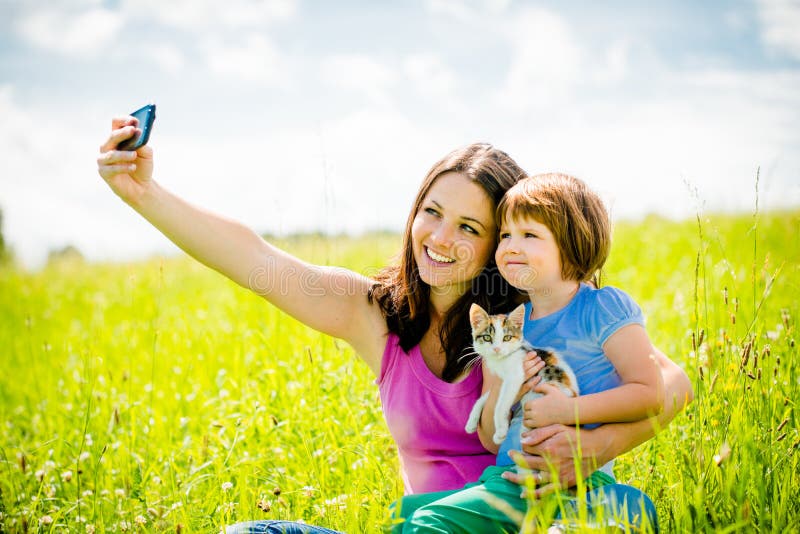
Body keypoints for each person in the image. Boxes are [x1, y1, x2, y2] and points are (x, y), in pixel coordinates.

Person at [96, 116, 693, 534]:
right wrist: (142, 192)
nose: (439, 238)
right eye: (431, 213)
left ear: (501, 243)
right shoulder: (373, 314)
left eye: (469, 227)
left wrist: (595, 449)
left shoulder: (538, 315)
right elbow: (257, 260)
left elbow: (673, 385)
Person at [392, 173, 670, 533]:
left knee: (624, 511)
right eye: (505, 235)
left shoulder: (603, 308)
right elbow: (490, 437)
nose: (510, 246)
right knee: (402, 516)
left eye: (529, 235)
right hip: (510, 481)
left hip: (580, 483)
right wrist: (507, 399)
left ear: (572, 244)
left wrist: (567, 410)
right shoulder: (508, 327)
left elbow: (651, 393)